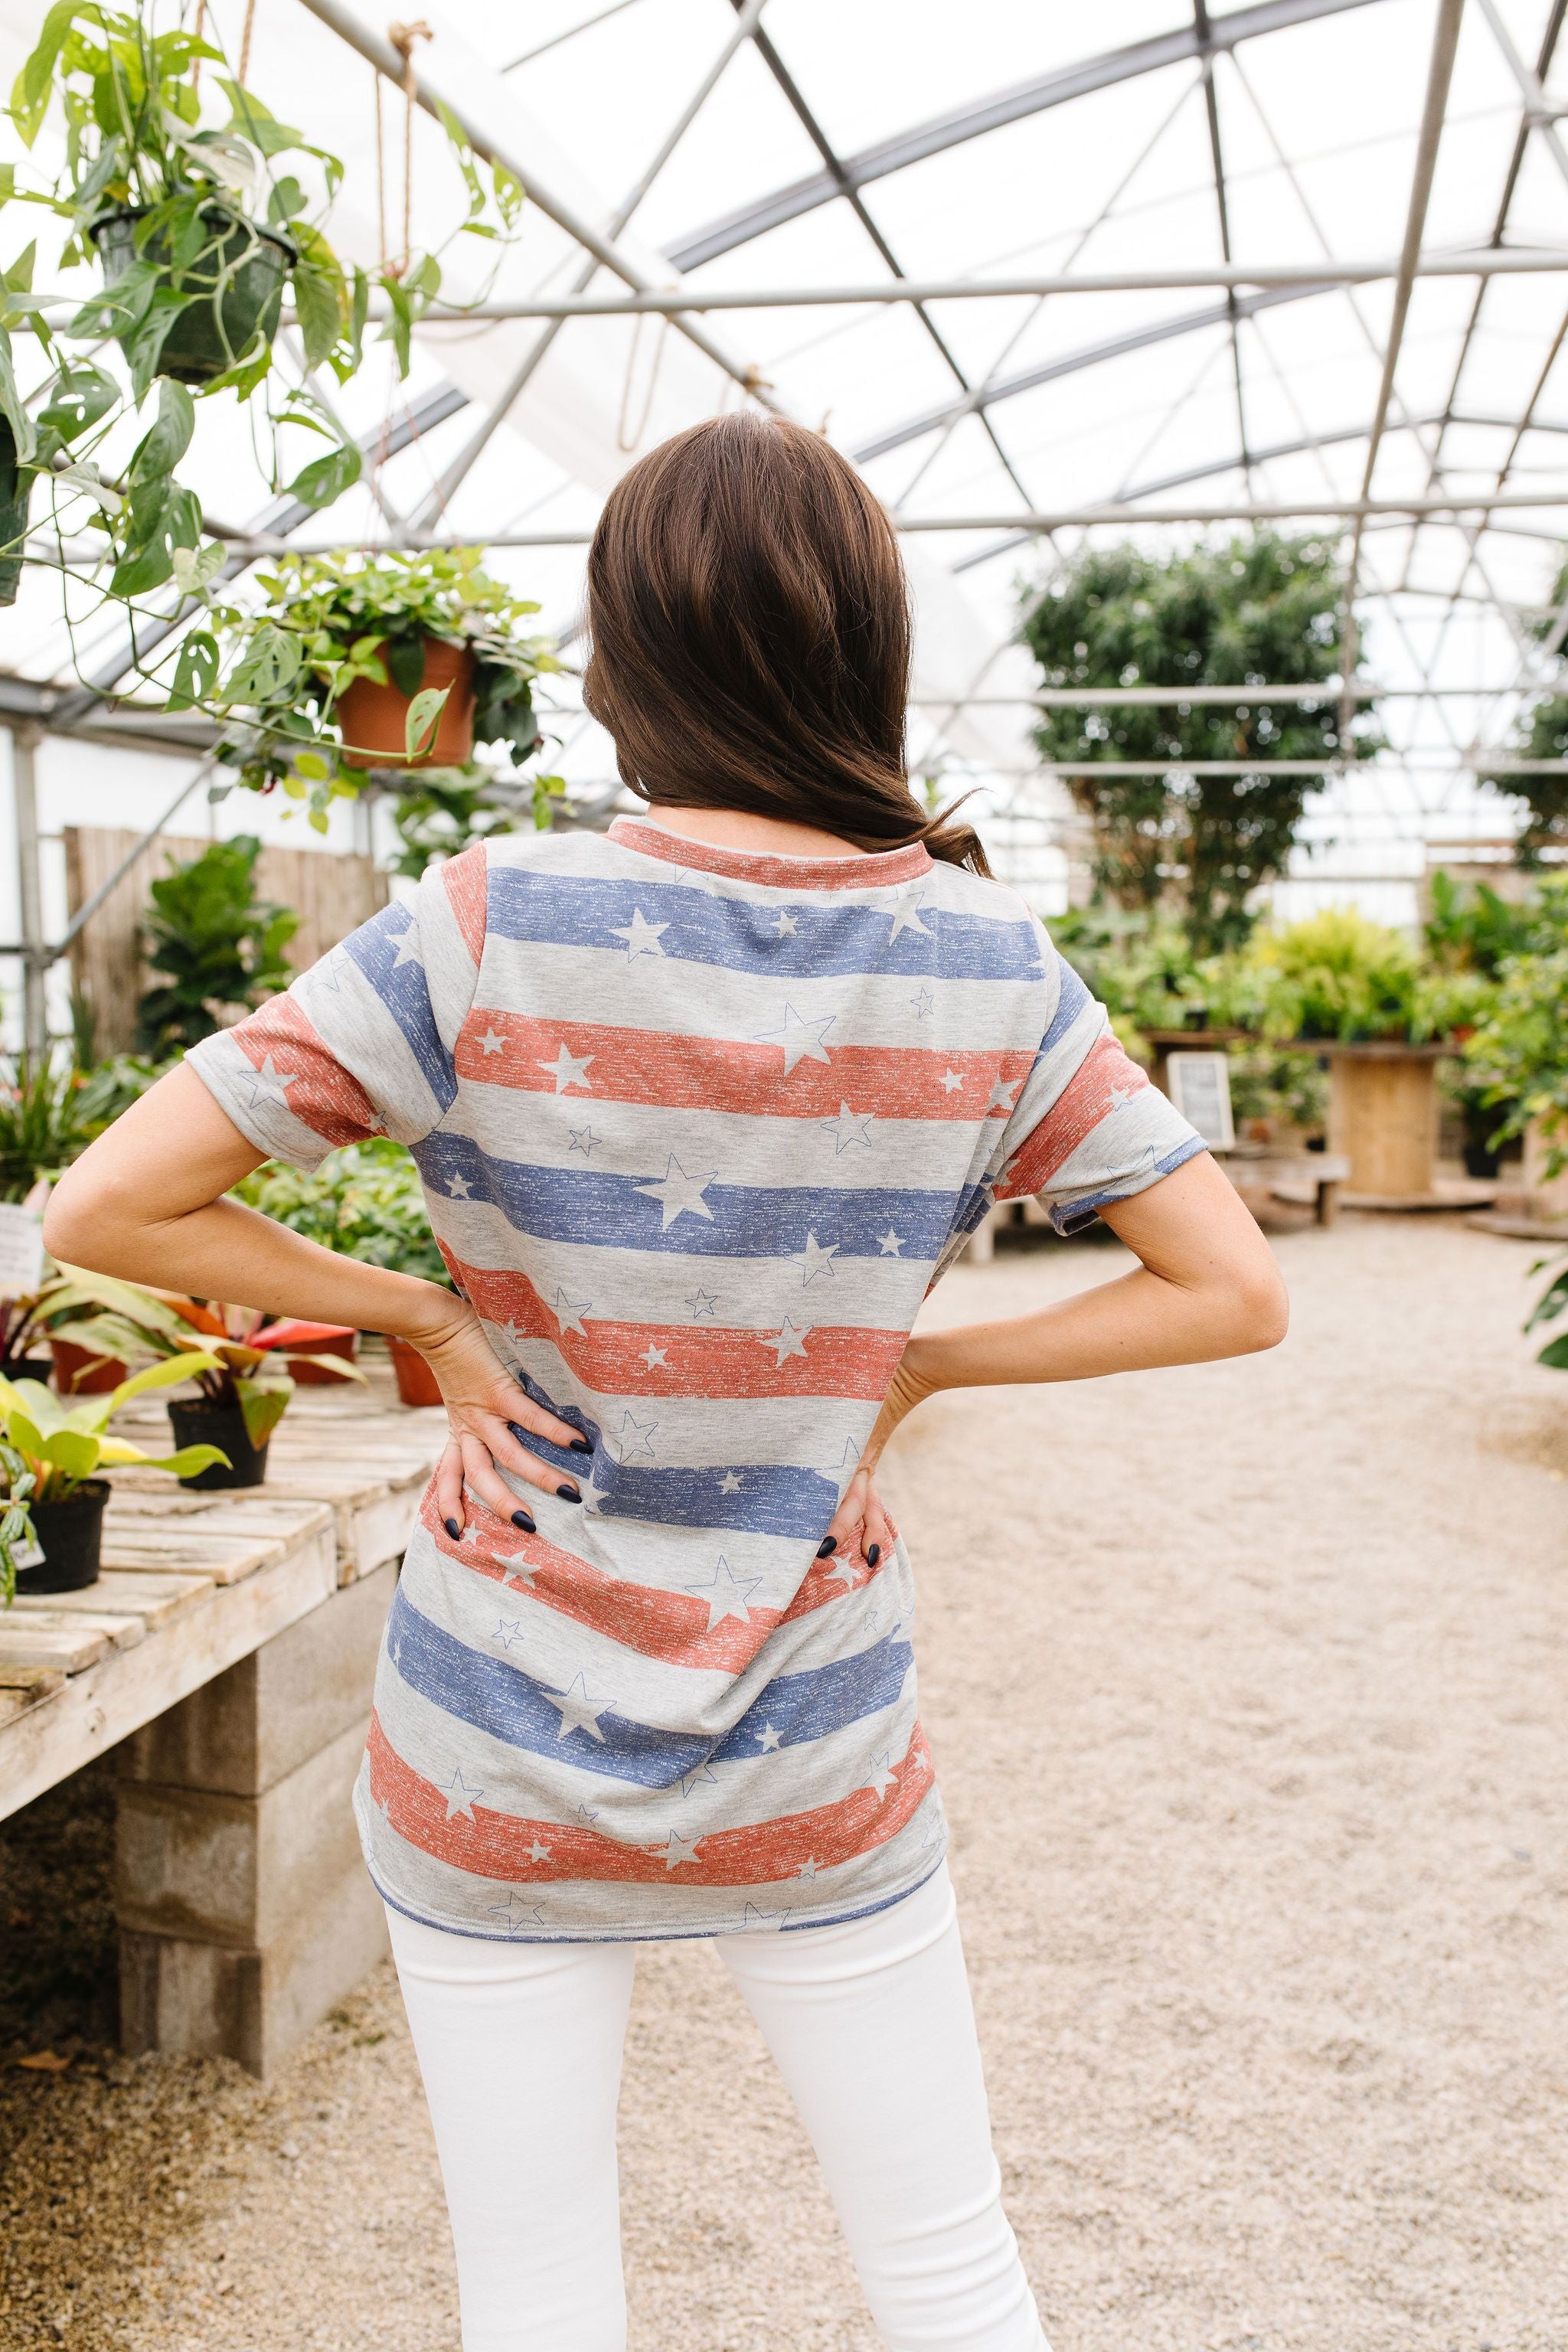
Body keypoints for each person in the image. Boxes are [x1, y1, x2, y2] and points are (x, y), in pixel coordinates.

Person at [46, 413, 1288, 2352]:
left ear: (624, 664)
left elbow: (108, 1211)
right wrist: (912, 1374)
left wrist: (437, 1323)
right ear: (862, 648)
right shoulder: (988, 964)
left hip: (491, 1749)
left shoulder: (484, 920)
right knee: (951, 2276)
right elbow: (1228, 1291)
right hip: (821, 1755)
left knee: (536, 2297)